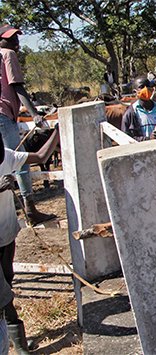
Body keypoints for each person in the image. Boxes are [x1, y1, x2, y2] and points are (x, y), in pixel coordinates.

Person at [0, 127, 60, 354]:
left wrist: (56, 131)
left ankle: (15, 342)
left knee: (7, 283)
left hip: (7, 234)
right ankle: (21, 347)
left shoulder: (7, 154)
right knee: (3, 294)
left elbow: (43, 156)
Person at [0, 24, 56, 226]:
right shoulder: (7, 54)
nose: (16, 43)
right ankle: (30, 208)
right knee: (19, 158)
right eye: (10, 38)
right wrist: (34, 114)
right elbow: (17, 87)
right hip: (3, 115)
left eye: (17, 38)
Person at [121, 76, 156, 141]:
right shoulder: (130, 114)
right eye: (142, 87)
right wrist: (147, 139)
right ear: (135, 92)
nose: (146, 89)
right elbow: (125, 139)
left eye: (148, 86)